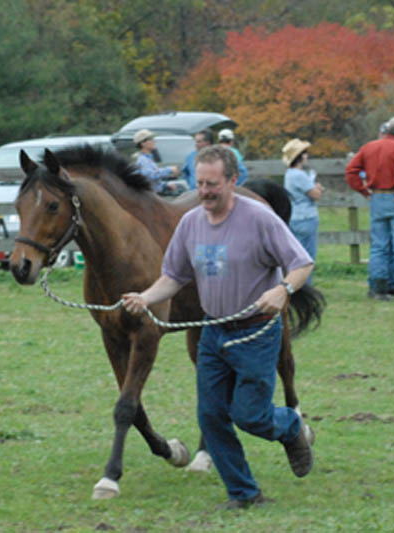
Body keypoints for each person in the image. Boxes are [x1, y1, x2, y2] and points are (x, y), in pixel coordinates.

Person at [122, 145, 314, 509]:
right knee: (210, 417)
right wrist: (146, 297)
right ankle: (244, 494)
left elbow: (302, 263)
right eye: (200, 183)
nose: (205, 191)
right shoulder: (191, 223)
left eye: (213, 184)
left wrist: (282, 289)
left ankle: (290, 428)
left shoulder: (259, 218)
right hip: (214, 330)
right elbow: (174, 276)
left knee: (250, 415)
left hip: (256, 330)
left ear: (232, 181)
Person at [345, 116, 394, 300]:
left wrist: (363, 190)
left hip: (376, 197)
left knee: (378, 246)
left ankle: (378, 288)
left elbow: (351, 170)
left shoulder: (369, 147)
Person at [283, 138, 322, 284]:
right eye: (304, 153)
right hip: (306, 218)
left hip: (295, 217)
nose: (307, 156)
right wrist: (317, 187)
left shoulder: (289, 174)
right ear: (299, 157)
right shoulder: (299, 175)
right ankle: (305, 285)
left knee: (296, 254)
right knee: (307, 256)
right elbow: (315, 195)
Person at [134, 128, 178, 194]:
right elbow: (150, 175)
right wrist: (169, 169)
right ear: (143, 143)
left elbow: (153, 182)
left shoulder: (148, 159)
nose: (154, 141)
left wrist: (165, 185)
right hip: (150, 197)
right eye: (150, 139)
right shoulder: (143, 160)